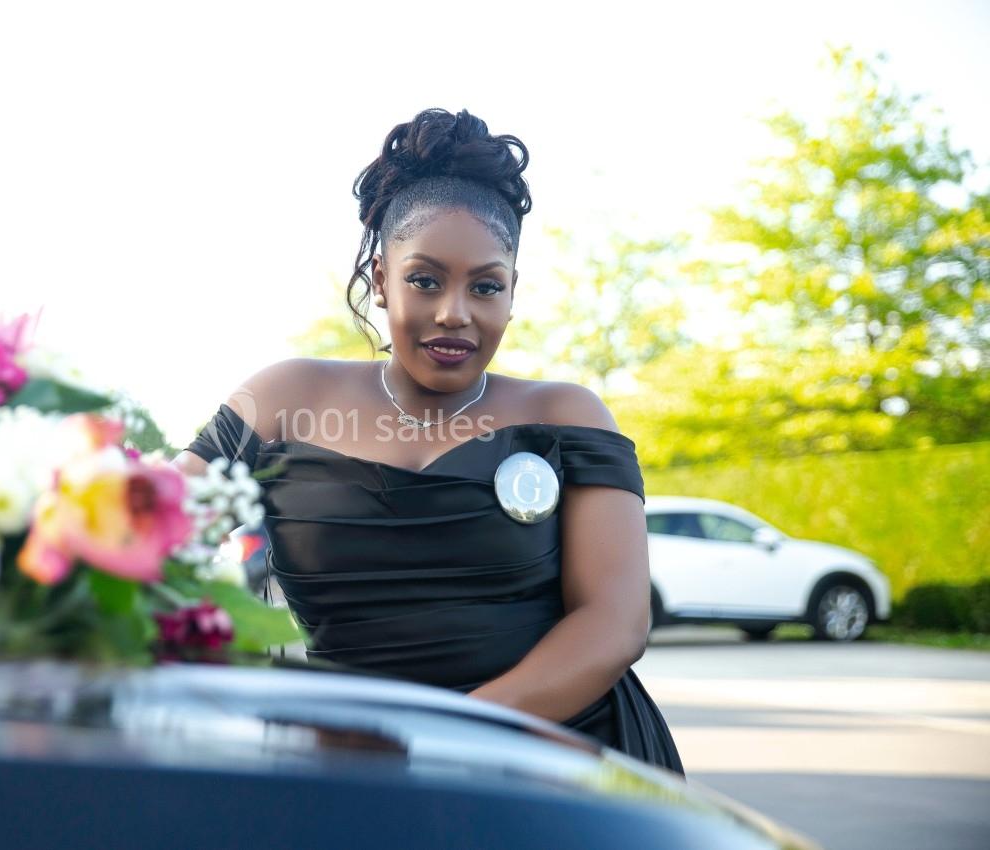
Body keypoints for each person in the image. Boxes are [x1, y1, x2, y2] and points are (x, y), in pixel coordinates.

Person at [172, 107, 684, 775]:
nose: (455, 313)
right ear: (381, 276)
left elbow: (615, 624)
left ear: (512, 292)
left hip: (561, 770)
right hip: (357, 781)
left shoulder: (568, 414)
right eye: (425, 279)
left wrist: (446, 735)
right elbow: (145, 541)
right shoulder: (282, 400)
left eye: (485, 287)